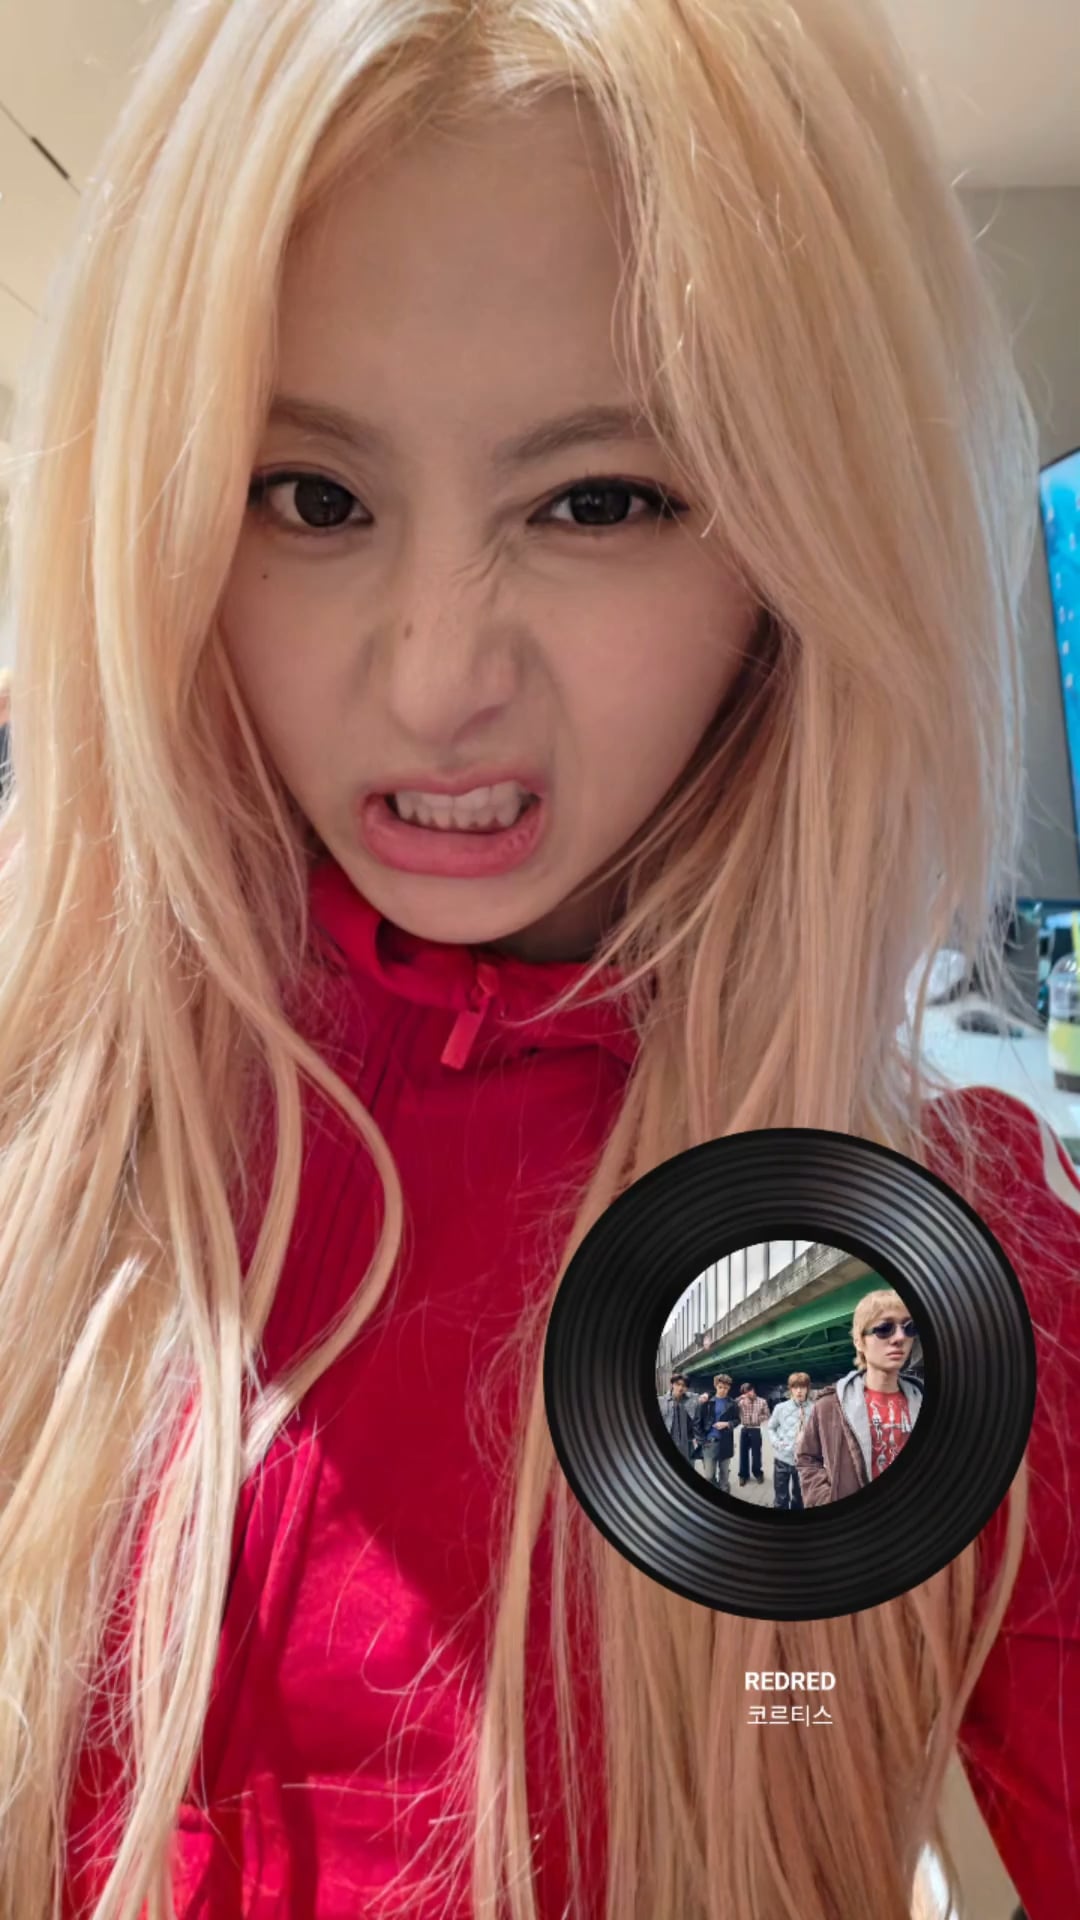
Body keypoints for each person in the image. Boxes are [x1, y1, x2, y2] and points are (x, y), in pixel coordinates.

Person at [0, 2, 1077, 1918]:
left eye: (599, 501)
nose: (437, 681)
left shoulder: (931, 1270)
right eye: (312, 496)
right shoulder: (38, 1156)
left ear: (800, 544)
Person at [795, 1294, 923, 1505]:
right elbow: (807, 1458)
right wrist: (825, 1500)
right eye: (884, 1328)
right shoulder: (829, 1406)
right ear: (859, 1341)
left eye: (909, 1328)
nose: (900, 1337)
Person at [767, 1373, 813, 1510]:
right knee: (781, 1499)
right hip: (782, 1459)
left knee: (800, 1498)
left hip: (804, 1461)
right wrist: (777, 1443)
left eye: (802, 1387)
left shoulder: (815, 1409)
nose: (799, 1391)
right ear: (790, 1389)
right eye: (795, 1387)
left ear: (807, 1388)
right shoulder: (780, 1408)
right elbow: (771, 1428)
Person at [700, 1372, 741, 1491]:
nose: (723, 1390)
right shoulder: (707, 1402)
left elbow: (737, 1420)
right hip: (709, 1443)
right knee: (709, 1475)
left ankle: (724, 1490)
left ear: (729, 1388)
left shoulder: (732, 1403)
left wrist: (727, 1424)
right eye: (720, 1387)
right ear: (715, 1386)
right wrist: (700, 1440)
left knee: (724, 1473)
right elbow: (699, 1421)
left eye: (726, 1388)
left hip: (725, 1442)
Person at [736, 1381, 769, 1485]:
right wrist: (739, 1399)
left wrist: (757, 1418)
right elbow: (730, 1406)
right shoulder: (741, 1402)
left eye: (748, 1391)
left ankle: (758, 1473)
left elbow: (767, 1414)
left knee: (756, 1454)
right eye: (744, 1393)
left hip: (756, 1429)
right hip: (744, 1429)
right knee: (743, 1454)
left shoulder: (762, 1401)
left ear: (753, 1390)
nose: (747, 1394)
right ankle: (743, 1475)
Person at [659, 1373, 698, 1463]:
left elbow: (707, 1396)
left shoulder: (690, 1400)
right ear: (672, 1384)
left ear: (686, 1388)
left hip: (686, 1444)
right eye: (678, 1384)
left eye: (683, 1386)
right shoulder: (661, 1401)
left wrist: (706, 1395)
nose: (680, 1388)